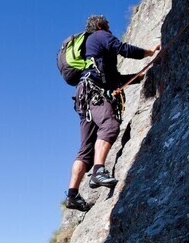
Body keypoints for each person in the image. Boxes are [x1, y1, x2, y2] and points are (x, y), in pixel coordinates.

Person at [65, 15, 159, 211]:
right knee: (109, 126)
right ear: (100, 25)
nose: (110, 30)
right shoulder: (99, 35)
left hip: (84, 98)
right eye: (108, 26)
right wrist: (149, 52)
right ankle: (99, 171)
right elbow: (123, 49)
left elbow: (115, 79)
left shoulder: (94, 56)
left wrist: (138, 77)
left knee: (85, 150)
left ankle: (72, 196)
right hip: (93, 93)